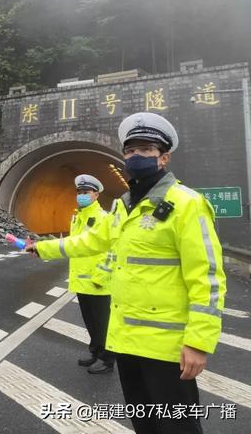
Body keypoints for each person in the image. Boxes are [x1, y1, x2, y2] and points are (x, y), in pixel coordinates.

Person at [29, 112, 226, 434]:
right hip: (126, 341)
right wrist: (43, 248)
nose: (135, 156)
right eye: (130, 150)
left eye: (145, 149)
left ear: (164, 157)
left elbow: (208, 278)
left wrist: (198, 341)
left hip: (168, 348)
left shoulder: (187, 204)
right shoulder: (123, 206)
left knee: (178, 428)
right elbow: (93, 241)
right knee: (144, 423)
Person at [68, 174, 115, 374]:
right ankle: (95, 352)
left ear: (96, 195)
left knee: (103, 324)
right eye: (79, 192)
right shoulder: (78, 219)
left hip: (98, 283)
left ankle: (107, 360)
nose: (81, 196)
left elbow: (113, 250)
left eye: (86, 192)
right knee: (90, 322)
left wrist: (101, 277)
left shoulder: (104, 218)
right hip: (82, 282)